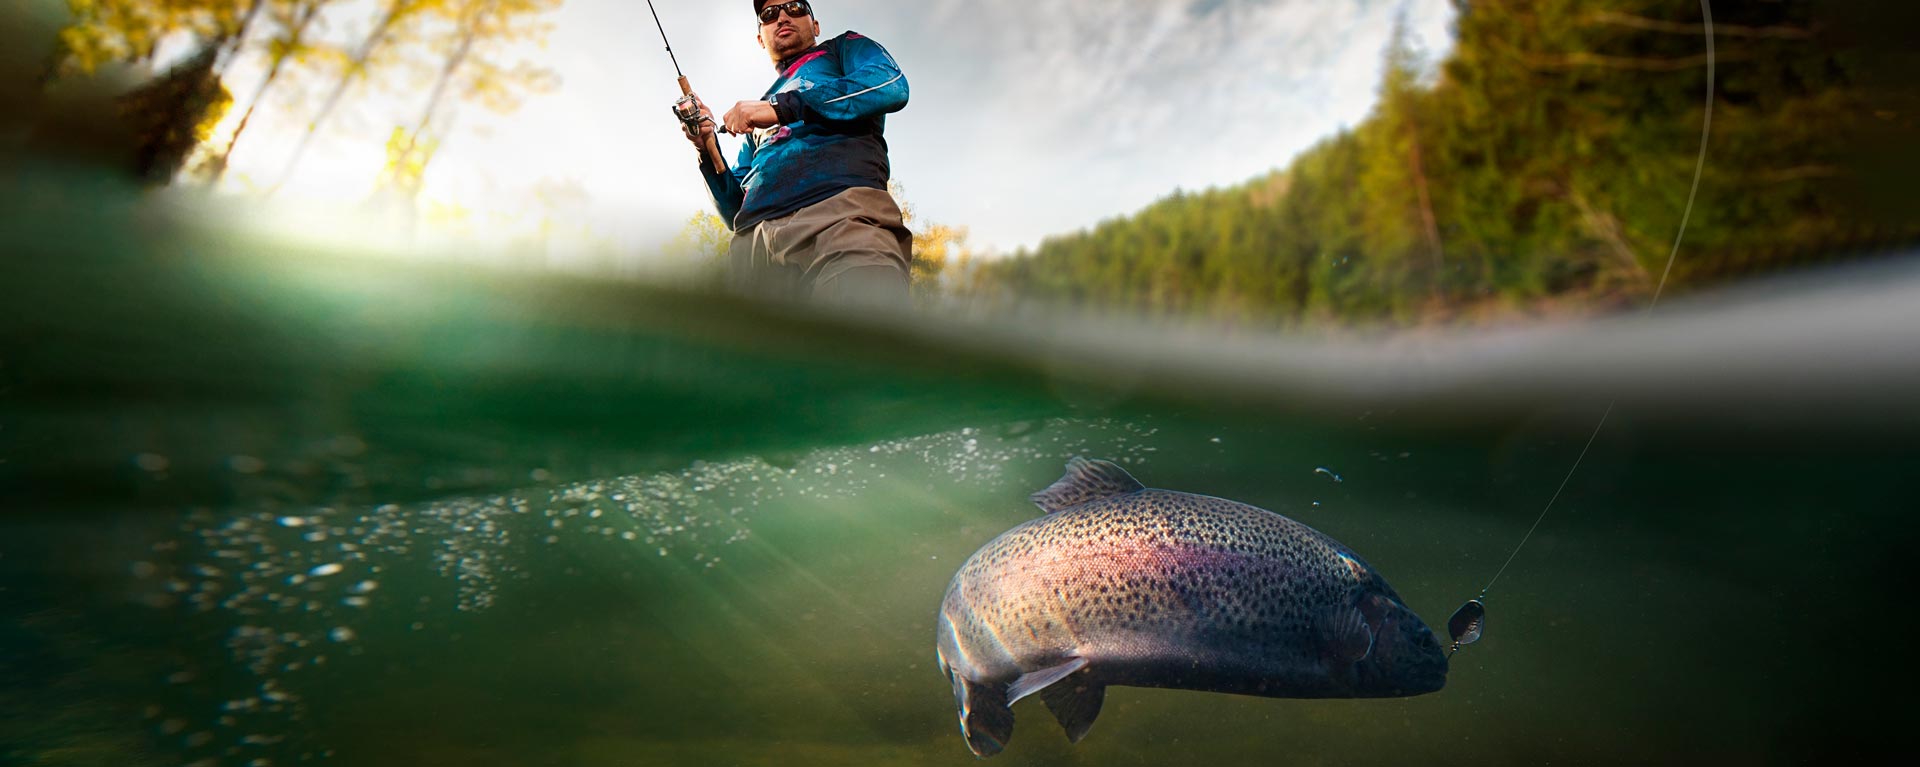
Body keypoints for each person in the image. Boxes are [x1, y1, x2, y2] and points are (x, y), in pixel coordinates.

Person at [680, 0, 913, 306]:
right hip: (752, 251)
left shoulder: (843, 49)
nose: (783, 16)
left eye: (795, 7)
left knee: (866, 341)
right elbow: (734, 209)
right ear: (761, 38)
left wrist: (781, 108)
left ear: (815, 26)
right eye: (769, 14)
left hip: (841, 220)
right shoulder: (759, 118)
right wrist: (706, 144)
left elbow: (890, 84)